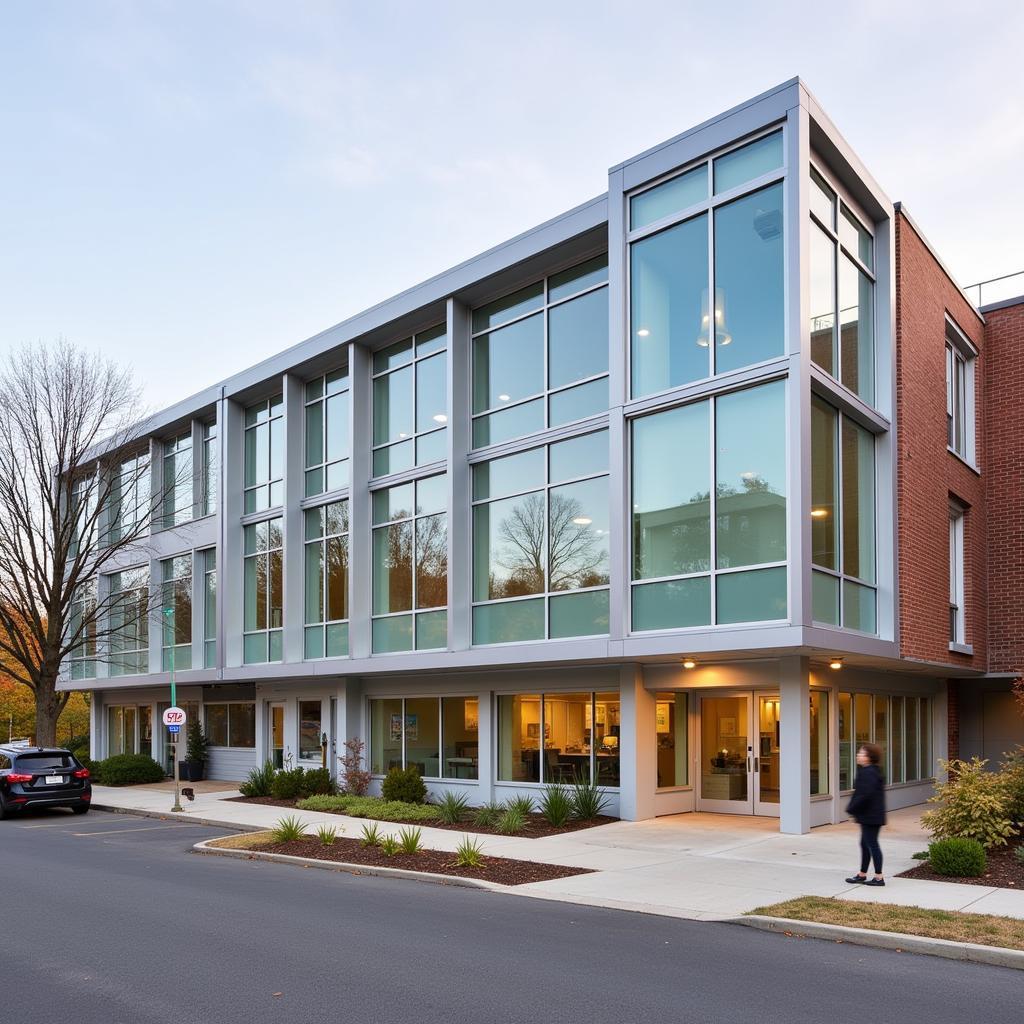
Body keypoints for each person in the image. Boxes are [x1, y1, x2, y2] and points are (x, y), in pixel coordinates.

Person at [845, 742, 886, 886]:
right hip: (871, 815)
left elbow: (863, 795)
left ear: (869, 757)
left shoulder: (868, 773)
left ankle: (879, 877)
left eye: (861, 753)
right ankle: (862, 874)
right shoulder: (872, 771)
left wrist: (851, 808)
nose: (858, 755)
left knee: (872, 844)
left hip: (871, 816)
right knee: (865, 844)